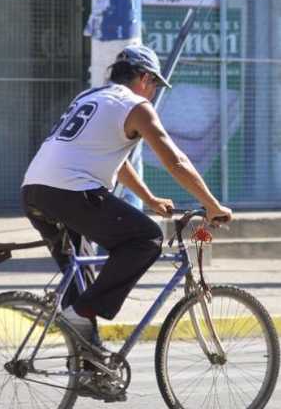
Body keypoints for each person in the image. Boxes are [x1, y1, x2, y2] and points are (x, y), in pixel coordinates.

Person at [21, 44, 233, 342]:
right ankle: (79, 315)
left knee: (82, 281)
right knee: (146, 239)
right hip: (70, 191)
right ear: (145, 78)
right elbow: (176, 161)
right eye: (155, 85)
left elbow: (114, 162)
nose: (154, 93)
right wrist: (212, 205)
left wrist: (149, 200)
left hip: (34, 191)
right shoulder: (136, 106)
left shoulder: (90, 97)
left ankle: (88, 365)